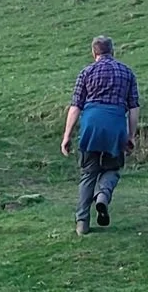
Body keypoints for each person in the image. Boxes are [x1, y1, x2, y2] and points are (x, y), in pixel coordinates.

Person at [59, 36, 140, 236]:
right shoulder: (127, 72)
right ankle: (103, 195)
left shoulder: (86, 72)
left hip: (91, 124)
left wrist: (67, 135)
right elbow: (134, 107)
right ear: (113, 51)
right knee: (112, 168)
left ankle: (82, 222)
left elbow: (76, 106)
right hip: (115, 124)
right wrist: (131, 135)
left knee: (88, 173)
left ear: (93, 52)